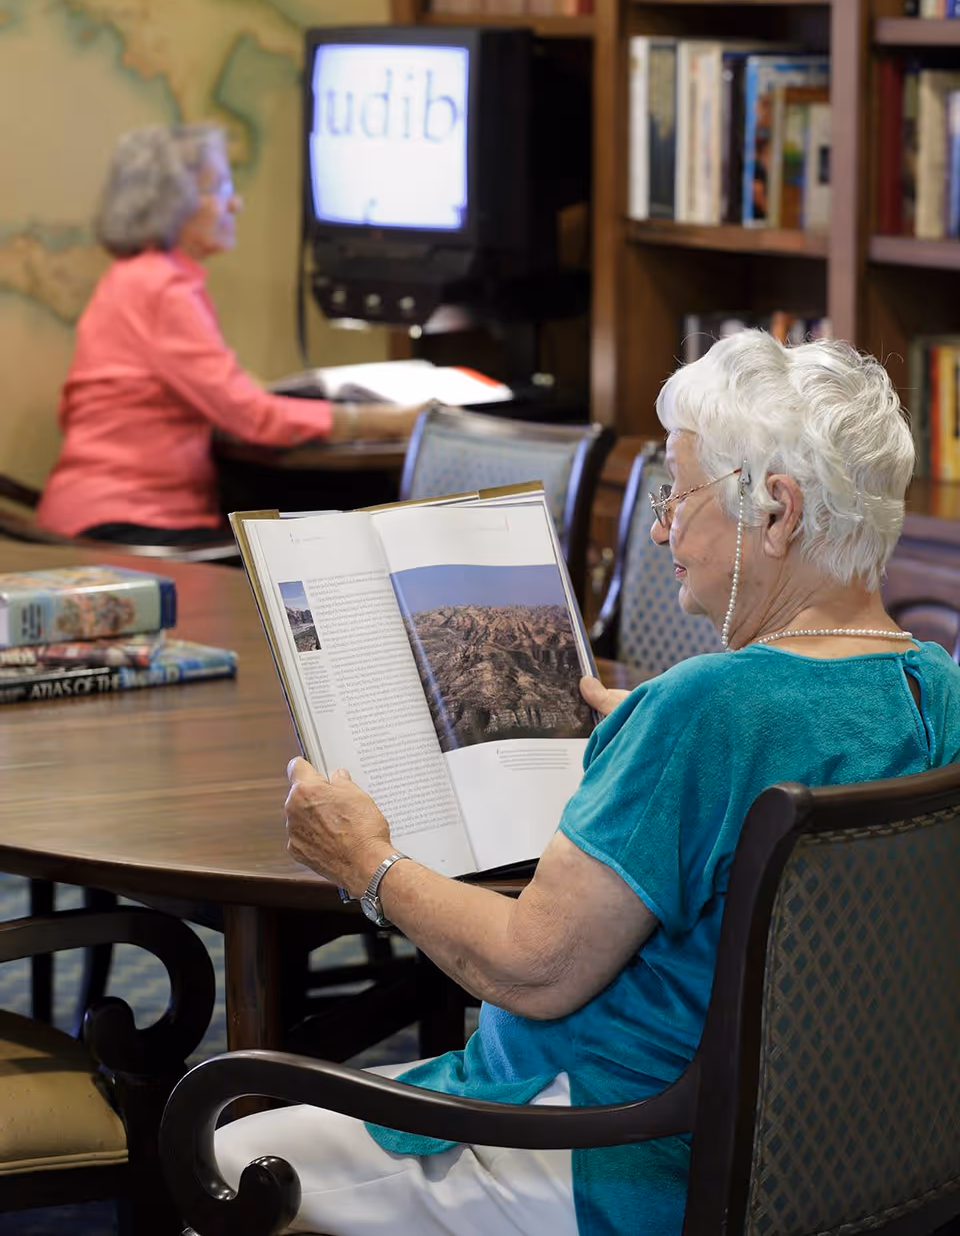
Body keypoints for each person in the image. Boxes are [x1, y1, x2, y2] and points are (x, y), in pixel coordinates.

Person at [216, 331, 960, 1236]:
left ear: (777, 512)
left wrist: (366, 860)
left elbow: (533, 967)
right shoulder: (935, 686)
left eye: (679, 496)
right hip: (834, 1159)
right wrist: (656, 740)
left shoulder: (707, 709)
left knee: (221, 1149)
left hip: (606, 1157)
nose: (659, 529)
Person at [37, 124, 420, 544]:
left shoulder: (136, 278)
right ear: (171, 202)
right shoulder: (163, 289)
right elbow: (251, 417)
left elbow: (225, 390)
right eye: (218, 187)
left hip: (97, 513)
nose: (235, 203)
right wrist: (393, 421)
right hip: (133, 524)